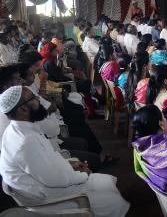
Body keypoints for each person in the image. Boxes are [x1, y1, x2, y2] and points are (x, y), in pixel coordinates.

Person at [0, 86, 130, 217]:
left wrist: (69, 164)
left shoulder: (19, 129)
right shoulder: (26, 142)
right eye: (33, 98)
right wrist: (83, 174)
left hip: (48, 184)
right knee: (113, 201)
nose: (38, 99)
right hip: (50, 198)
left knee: (107, 183)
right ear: (22, 110)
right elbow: (53, 179)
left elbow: (46, 161)